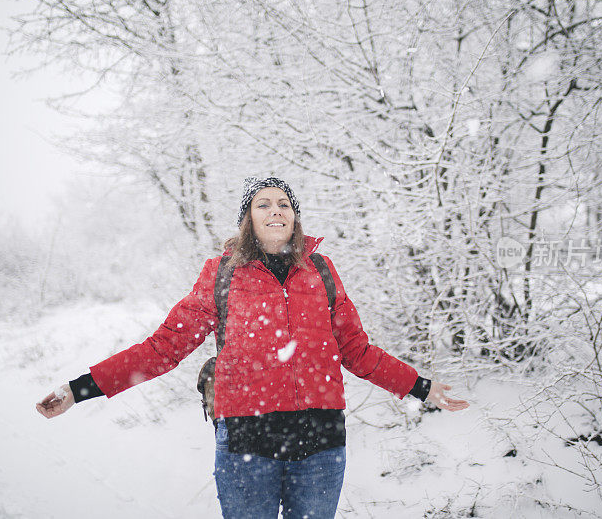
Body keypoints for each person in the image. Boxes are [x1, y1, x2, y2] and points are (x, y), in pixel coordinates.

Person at [36, 176, 469, 518]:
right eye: (263, 203)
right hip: (246, 445)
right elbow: (162, 349)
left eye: (284, 204)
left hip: (321, 443)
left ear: (295, 218)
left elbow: (357, 351)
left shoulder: (321, 271)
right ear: (248, 218)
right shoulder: (222, 275)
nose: (275, 210)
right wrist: (80, 389)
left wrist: (421, 387)